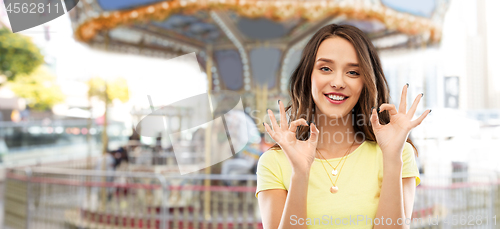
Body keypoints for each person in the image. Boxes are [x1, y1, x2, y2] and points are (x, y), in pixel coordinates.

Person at [256, 24, 430, 229]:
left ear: (365, 82)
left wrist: (392, 159)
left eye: (353, 72)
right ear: (307, 77)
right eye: (325, 69)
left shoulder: (398, 154)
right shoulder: (274, 162)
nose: (338, 82)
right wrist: (300, 174)